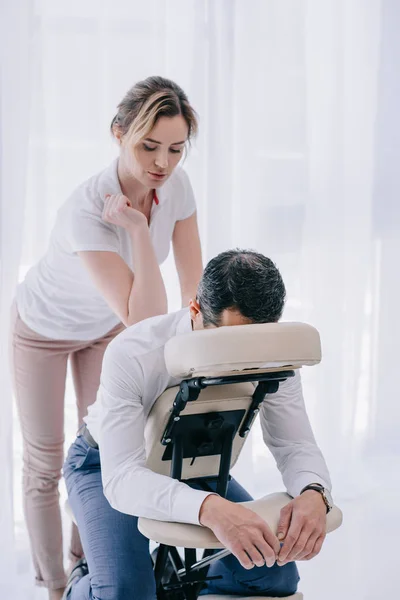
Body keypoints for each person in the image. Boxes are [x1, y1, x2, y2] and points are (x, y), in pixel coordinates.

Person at [10, 76, 203, 600]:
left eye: (176, 149)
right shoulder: (86, 211)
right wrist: (138, 232)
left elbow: (193, 294)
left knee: (99, 447)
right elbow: (143, 320)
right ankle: (52, 587)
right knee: (46, 462)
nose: (162, 163)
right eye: (148, 146)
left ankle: (84, 565)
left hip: (103, 330)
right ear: (118, 133)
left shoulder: (177, 188)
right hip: (42, 330)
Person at [62, 249, 333, 600]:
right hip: (105, 466)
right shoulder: (134, 352)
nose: (241, 354)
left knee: (275, 577)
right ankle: (84, 581)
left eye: (255, 338)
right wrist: (208, 508)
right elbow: (122, 477)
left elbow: (294, 444)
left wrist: (314, 491)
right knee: (126, 593)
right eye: (229, 339)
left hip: (195, 462)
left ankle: (174, 582)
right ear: (195, 310)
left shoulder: (274, 351)